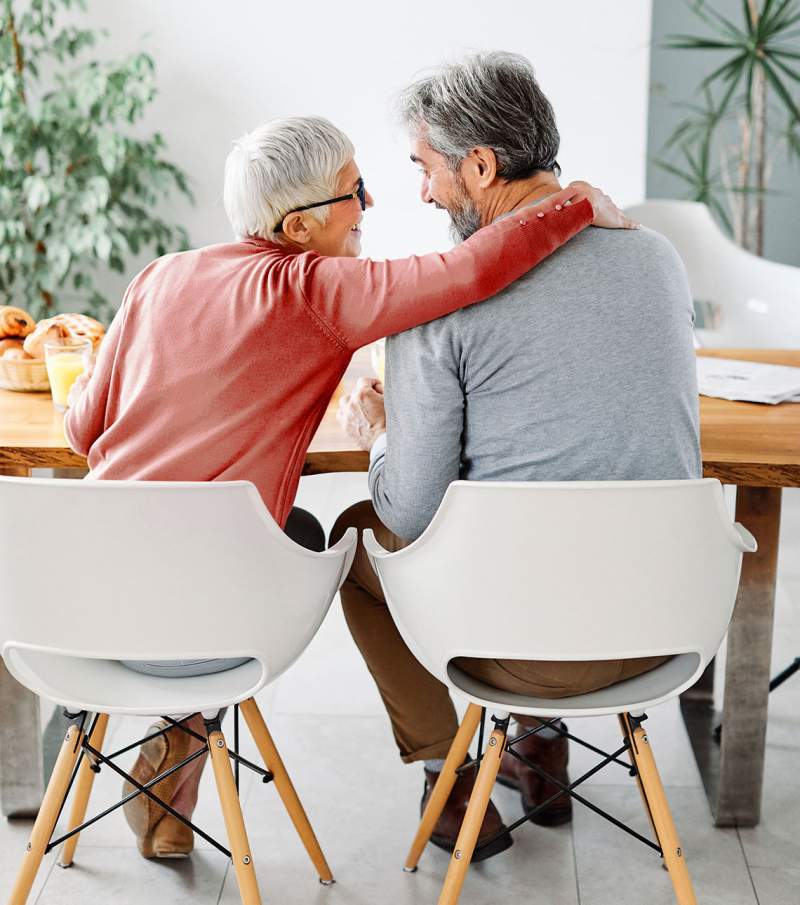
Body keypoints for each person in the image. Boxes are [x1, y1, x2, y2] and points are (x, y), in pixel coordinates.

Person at [63, 113, 633, 859]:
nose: (369, 205)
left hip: (89, 613)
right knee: (312, 535)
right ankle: (192, 737)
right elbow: (471, 272)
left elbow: (82, 431)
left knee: (253, 535)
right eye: (354, 192)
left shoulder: (159, 275)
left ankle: (173, 769)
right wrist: (576, 201)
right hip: (206, 632)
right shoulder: (316, 289)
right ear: (299, 227)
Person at [333, 51, 701, 861]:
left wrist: (383, 433)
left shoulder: (440, 299)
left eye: (423, 168)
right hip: (662, 627)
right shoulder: (658, 258)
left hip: (522, 647)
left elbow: (411, 510)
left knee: (361, 533)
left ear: (481, 164)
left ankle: (450, 773)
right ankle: (537, 747)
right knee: (562, 489)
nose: (421, 192)